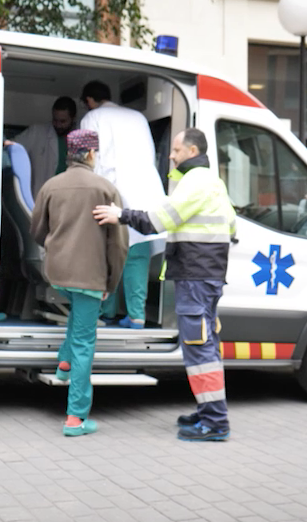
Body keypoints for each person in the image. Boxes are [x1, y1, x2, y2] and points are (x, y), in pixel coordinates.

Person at [93, 128, 236, 442]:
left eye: (176, 150)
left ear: (193, 151)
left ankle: (215, 422)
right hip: (207, 277)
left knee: (199, 350)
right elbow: (232, 226)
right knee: (206, 345)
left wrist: (121, 214)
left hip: (195, 278)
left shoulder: (195, 182)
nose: (171, 156)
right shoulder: (214, 182)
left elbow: (159, 221)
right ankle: (208, 408)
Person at [30, 129, 128, 437]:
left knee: (77, 311)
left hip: (58, 273)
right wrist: (110, 281)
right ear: (89, 154)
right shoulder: (105, 188)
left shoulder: (51, 186)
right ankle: (75, 418)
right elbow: (118, 245)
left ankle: (64, 363)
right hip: (89, 275)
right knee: (86, 341)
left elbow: (36, 230)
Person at [79, 80, 166, 329]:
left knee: (108, 253)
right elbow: (150, 155)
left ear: (89, 101)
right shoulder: (138, 117)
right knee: (137, 254)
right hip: (145, 192)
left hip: (111, 191)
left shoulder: (92, 118)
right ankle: (137, 315)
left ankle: (106, 312)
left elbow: (88, 159)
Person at [6, 96, 78, 197]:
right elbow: (11, 147)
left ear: (73, 118)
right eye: (55, 120)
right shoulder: (37, 132)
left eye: (63, 121)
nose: (58, 125)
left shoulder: (80, 138)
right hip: (42, 194)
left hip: (68, 195)